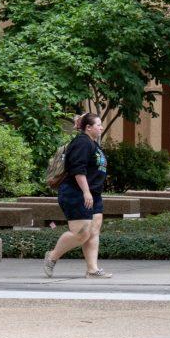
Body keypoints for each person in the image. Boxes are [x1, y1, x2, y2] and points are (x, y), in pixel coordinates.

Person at [43, 113, 111, 278]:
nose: (101, 127)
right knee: (81, 233)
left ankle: (92, 270)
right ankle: (51, 257)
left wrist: (92, 192)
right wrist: (86, 192)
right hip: (76, 192)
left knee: (93, 231)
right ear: (88, 127)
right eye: (98, 124)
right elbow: (77, 170)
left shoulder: (92, 143)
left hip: (93, 194)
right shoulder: (82, 142)